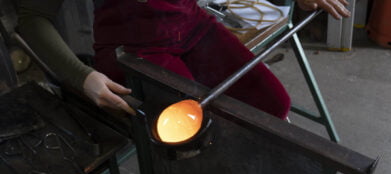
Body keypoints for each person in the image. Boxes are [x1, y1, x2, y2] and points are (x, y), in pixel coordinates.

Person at [18, 0, 350, 119]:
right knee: (194, 127)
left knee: (273, 104)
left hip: (192, 27)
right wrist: (81, 76)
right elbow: (31, 16)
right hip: (131, 50)